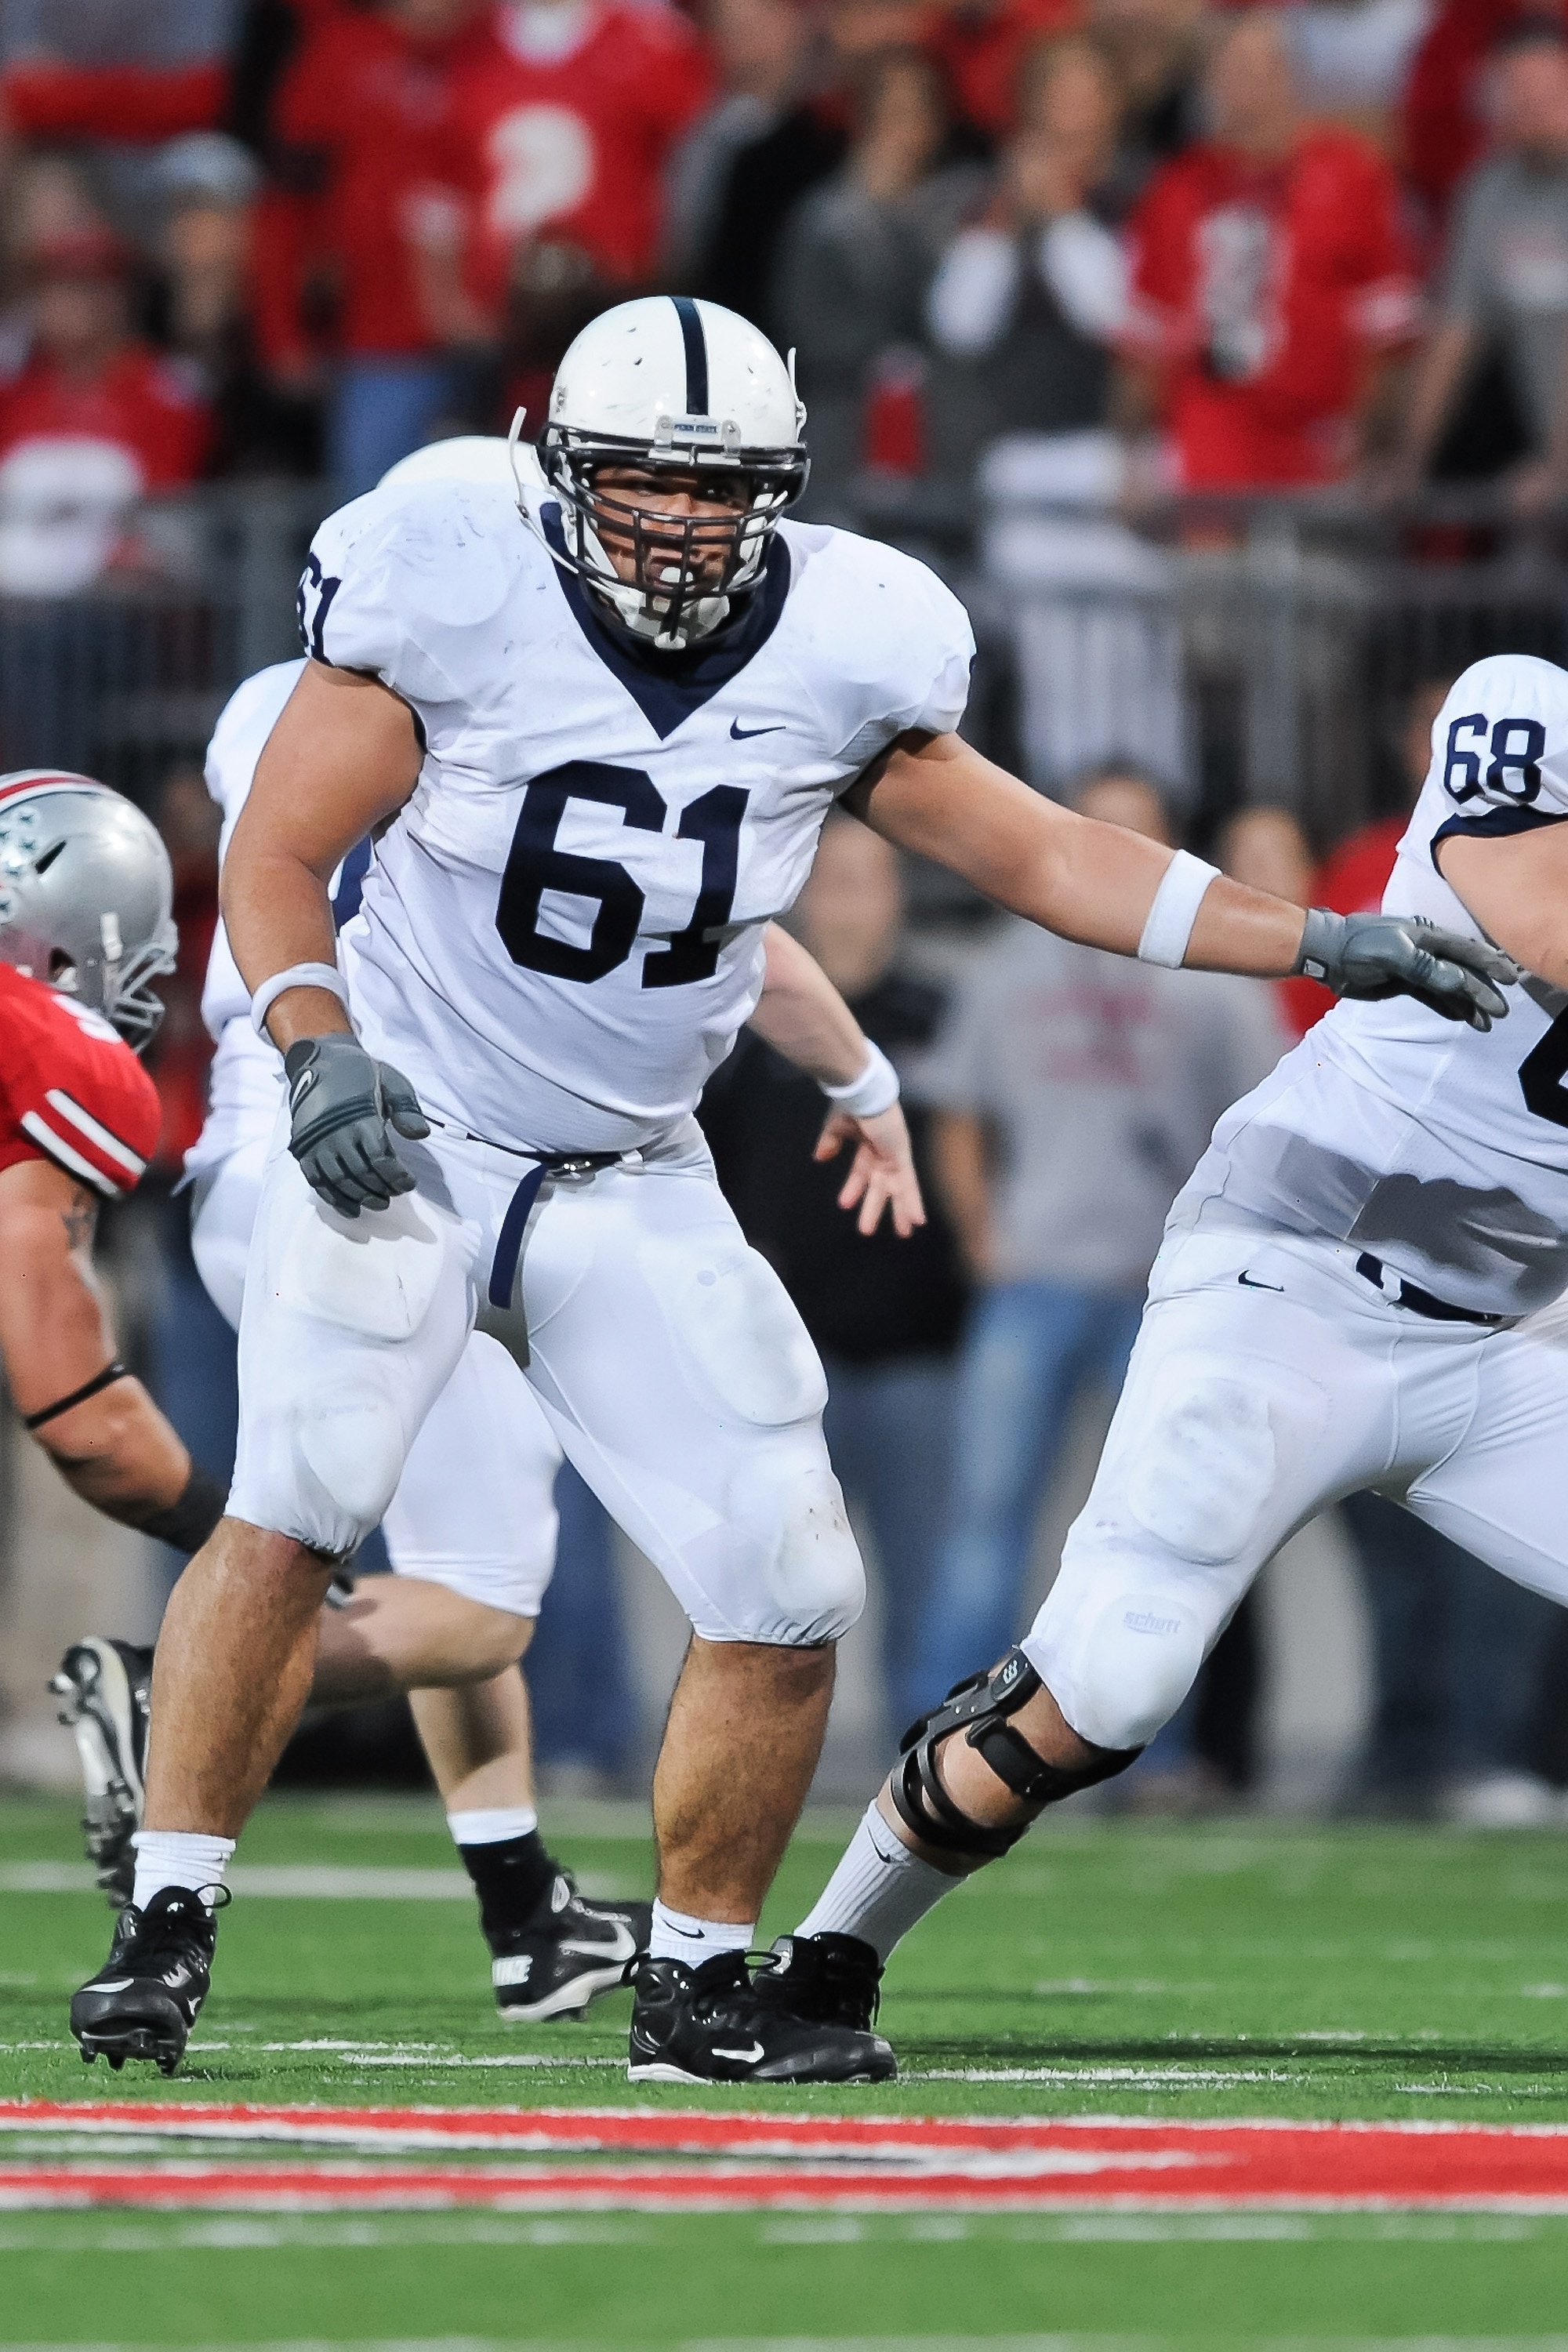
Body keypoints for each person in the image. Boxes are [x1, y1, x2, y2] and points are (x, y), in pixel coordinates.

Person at [65, 291, 1504, 2089]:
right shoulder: (447, 584)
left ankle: (691, 1985)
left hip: (631, 1168)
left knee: (787, 1572)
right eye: (637, 482)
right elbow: (278, 854)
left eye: (715, 485)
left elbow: (1043, 849)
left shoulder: (848, 631)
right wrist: (311, 1037)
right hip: (418, 1123)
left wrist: (1313, 938)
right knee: (297, 1501)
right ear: (553, 473)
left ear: (786, 487)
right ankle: (168, 1921)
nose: (675, 519)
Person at [60, 430, 931, 2021]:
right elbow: (650, 914)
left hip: (292, 1156)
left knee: (410, 1553)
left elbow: (687, 920)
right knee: (455, 1595)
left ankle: (520, 1904)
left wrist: (857, 1070)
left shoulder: (320, 693)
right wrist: (863, 1073)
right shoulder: (412, 686)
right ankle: (179, 1746)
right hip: (384, 1149)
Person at [789, 650, 1568, 2056]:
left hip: (1494, 1345)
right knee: (1114, 1686)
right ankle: (829, 1954)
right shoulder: (1525, 704)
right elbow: (1542, 921)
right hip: (1293, 1277)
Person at [909, 765, 1282, 1704]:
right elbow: (956, 1111)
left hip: (1159, 1297)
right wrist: (982, 1239)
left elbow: (1271, 1124)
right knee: (984, 1522)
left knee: (1166, 1534)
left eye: (1137, 828)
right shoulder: (1006, 965)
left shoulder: (1218, 974)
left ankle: (1146, 1748)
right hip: (1030, 1282)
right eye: (1100, 827)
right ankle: (937, 1731)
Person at [700, 810, 970, 1733]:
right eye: (834, 879)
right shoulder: (744, 1029)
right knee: (768, 1588)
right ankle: (758, 1758)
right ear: (803, 897)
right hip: (782, 1361)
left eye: (871, 878)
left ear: (898, 895)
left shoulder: (941, 1015)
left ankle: (926, 1769)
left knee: (927, 1577)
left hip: (915, 1351)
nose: (853, 900)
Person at [1122, 8, 1418, 488]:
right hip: (1206, 461)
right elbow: (1144, 336)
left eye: (1262, 66)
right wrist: (1131, 456)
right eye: (1231, 67)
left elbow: (1388, 330)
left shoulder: (1352, 176)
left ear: (1291, 74)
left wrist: (1369, 441)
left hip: (1321, 454)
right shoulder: (1175, 191)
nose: (1247, 84)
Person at [249, 0, 497, 498]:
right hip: (381, 347)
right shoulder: (340, 56)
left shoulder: (504, 48)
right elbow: (288, 205)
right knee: (377, 516)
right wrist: (281, 330)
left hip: (506, 343)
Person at [1393, 23, 1568, 510]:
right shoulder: (1489, 194)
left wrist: (1560, 469)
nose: (1535, 105)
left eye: (1549, 89)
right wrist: (1408, 463)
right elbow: (1455, 333)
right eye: (1518, 90)